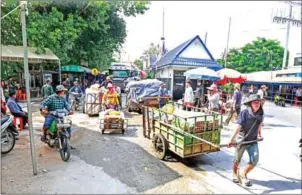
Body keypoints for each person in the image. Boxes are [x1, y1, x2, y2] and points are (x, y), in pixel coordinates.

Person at [227, 94, 263, 187]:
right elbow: (238, 126)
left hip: (252, 141)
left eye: (258, 102)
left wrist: (259, 134)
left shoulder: (261, 113)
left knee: (255, 159)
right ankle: (234, 173)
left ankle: (243, 174)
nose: (257, 104)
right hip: (242, 140)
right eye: (255, 102)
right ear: (250, 103)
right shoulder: (244, 112)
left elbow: (259, 124)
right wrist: (231, 139)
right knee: (237, 159)